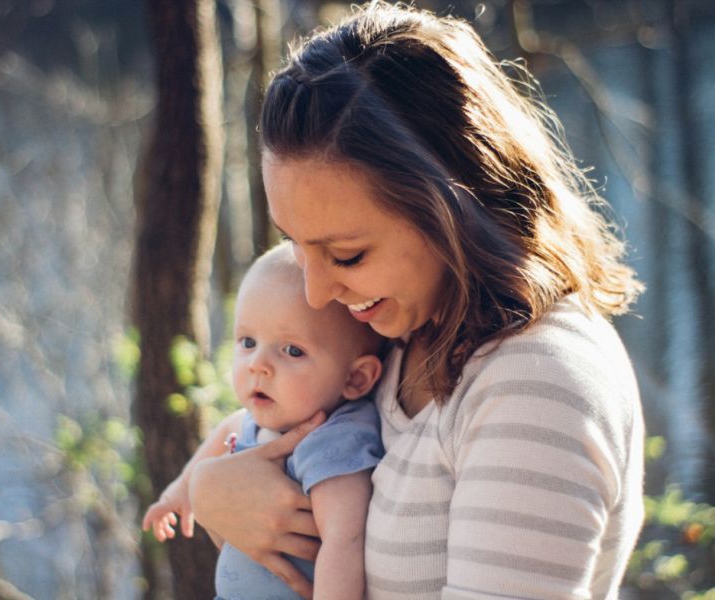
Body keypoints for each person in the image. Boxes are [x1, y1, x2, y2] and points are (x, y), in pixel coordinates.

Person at [188, 2, 646, 599]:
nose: (316, 292)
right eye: (294, 244)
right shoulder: (402, 333)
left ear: (454, 211)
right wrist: (210, 489)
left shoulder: (535, 383)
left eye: (347, 255)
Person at [142, 243, 385, 600]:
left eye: (292, 350)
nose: (258, 364)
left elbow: (344, 542)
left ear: (356, 379)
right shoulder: (256, 421)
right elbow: (226, 429)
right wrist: (175, 494)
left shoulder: (334, 443)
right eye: (248, 341)